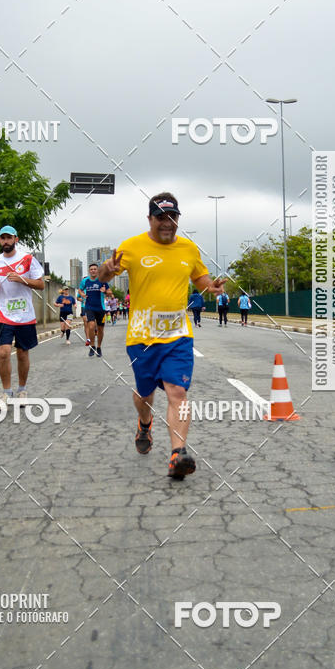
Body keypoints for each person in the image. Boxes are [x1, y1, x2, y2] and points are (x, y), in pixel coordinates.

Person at [99, 193, 226, 480]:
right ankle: (144, 423)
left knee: (177, 392)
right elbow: (104, 277)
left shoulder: (189, 248)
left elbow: (199, 278)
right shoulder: (131, 247)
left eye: (173, 217)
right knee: (145, 394)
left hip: (178, 335)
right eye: (161, 218)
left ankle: (177, 454)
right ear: (150, 219)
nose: (167, 223)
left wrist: (212, 286)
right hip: (142, 336)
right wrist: (109, 269)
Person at [0, 225, 45, 407]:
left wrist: (22, 279)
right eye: (2, 238)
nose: (6, 241)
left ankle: (22, 389)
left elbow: (41, 285)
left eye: (9, 238)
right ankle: (6, 392)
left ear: (16, 239)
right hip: (2, 312)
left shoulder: (27, 259)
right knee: (3, 352)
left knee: (22, 353)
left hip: (24, 314)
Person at [78, 263, 112, 357]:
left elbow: (110, 292)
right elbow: (80, 290)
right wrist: (82, 295)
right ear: (89, 271)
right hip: (89, 307)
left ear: (98, 271)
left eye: (95, 269)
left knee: (100, 329)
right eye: (91, 269)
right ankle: (92, 346)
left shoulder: (102, 281)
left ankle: (99, 347)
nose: (93, 270)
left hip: (101, 308)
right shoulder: (85, 281)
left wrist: (105, 291)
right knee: (91, 326)